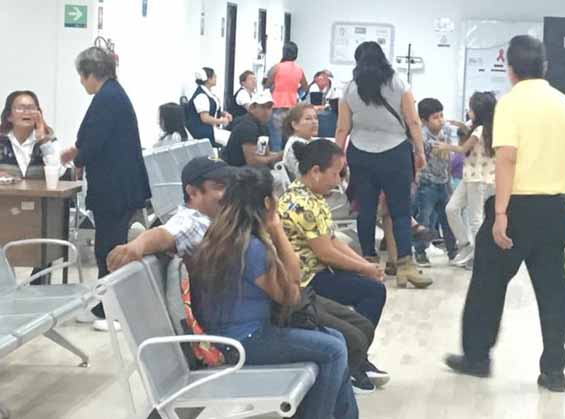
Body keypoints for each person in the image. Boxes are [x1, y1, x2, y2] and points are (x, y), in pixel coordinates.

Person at [107, 157, 383, 395]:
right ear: (192, 191)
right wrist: (136, 246)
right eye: (218, 187)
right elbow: (163, 233)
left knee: (350, 333)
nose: (226, 193)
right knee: (342, 342)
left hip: (262, 304)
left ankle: (347, 376)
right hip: (247, 324)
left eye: (228, 186)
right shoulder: (192, 220)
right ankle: (346, 377)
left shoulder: (227, 223)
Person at [445, 35, 565, 393]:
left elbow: (507, 159)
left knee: (487, 283)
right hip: (554, 209)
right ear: (545, 67)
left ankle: (477, 357)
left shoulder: (510, 104)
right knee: (553, 291)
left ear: (510, 70)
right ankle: (554, 371)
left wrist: (501, 214)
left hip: (516, 208)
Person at [188, 167, 358, 419]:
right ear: (268, 203)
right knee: (334, 350)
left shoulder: (223, 238)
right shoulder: (250, 248)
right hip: (245, 342)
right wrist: (277, 230)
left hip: (231, 337)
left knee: (336, 339)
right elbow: (291, 295)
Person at [279, 140, 390, 392]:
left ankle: (356, 355)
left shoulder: (313, 197)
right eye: (336, 174)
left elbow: (332, 240)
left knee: (371, 288)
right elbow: (326, 252)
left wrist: (366, 265)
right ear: (315, 171)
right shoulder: (301, 203)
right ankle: (353, 361)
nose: (339, 181)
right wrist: (364, 269)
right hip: (305, 280)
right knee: (372, 291)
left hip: (318, 271)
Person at [60, 46, 151, 331]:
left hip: (116, 188)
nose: (81, 82)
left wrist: (78, 156)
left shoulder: (108, 97)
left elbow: (95, 140)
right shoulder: (112, 94)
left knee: (110, 249)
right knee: (106, 246)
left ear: (90, 74)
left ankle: (114, 311)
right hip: (117, 186)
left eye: (81, 76)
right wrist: (78, 151)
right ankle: (103, 305)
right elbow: (94, 137)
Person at [335, 41, 431, 289]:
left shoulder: (350, 89)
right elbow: (413, 122)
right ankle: (405, 267)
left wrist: (337, 158)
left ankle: (368, 262)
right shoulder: (398, 84)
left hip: (360, 154)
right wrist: (420, 151)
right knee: (401, 211)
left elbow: (343, 128)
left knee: (365, 210)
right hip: (395, 153)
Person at [435, 92, 497, 269]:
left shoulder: (479, 129)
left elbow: (463, 149)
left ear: (479, 111)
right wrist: (461, 125)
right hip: (473, 177)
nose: (469, 112)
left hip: (477, 178)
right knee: (451, 208)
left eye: (471, 109)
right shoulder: (490, 127)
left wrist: (446, 146)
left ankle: (480, 257)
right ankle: (466, 244)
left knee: (475, 219)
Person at [409, 98, 459, 267]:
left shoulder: (446, 133)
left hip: (443, 182)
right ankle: (420, 252)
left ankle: (453, 252)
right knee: (424, 219)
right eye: (435, 117)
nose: (441, 120)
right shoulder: (422, 137)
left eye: (441, 115)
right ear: (424, 120)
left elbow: (448, 160)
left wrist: (449, 182)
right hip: (427, 184)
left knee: (448, 220)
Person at [0, 90, 58, 179]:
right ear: (9, 116)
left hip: (40, 188)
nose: (26, 112)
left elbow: (58, 172)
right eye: (20, 108)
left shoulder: (48, 137)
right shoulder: (1, 139)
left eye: (31, 108)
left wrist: (43, 140)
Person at [265, 42, 309, 152]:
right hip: (292, 108)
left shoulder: (277, 67)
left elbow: (267, 85)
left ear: (284, 52)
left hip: (276, 107)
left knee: (276, 140)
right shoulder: (299, 69)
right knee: (289, 139)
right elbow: (305, 87)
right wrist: (296, 93)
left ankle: (276, 161)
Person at [222, 91, 282, 168]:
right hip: (236, 170)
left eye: (269, 107)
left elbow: (264, 153)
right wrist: (279, 156)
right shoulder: (247, 127)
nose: (266, 111)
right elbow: (253, 161)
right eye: (262, 107)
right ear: (252, 108)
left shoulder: (262, 125)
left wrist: (283, 155)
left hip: (247, 170)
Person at [185, 67, 232, 148]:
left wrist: (223, 114)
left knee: (234, 138)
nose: (216, 77)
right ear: (208, 79)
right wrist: (221, 121)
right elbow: (205, 118)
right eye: (214, 76)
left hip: (211, 128)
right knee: (232, 140)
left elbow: (211, 110)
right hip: (202, 130)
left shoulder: (208, 93)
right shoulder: (201, 96)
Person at [282, 103, 320, 180]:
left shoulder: (312, 140)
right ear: (295, 125)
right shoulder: (295, 144)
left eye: (316, 118)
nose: (314, 122)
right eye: (308, 119)